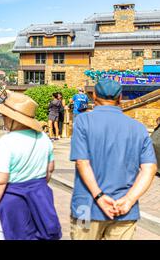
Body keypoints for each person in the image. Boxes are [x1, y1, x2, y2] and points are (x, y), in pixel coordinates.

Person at [70, 79, 157, 240]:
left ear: (94, 95)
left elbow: (82, 162)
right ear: (120, 97)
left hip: (86, 207)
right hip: (124, 209)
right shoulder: (138, 128)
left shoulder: (83, 121)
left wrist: (99, 197)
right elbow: (149, 168)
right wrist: (129, 199)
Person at [0, 92, 61, 240]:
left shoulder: (7, 142)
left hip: (12, 200)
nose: (3, 119)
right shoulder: (44, 138)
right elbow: (50, 169)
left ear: (13, 119)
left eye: (5, 116)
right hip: (40, 199)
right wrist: (34, 186)